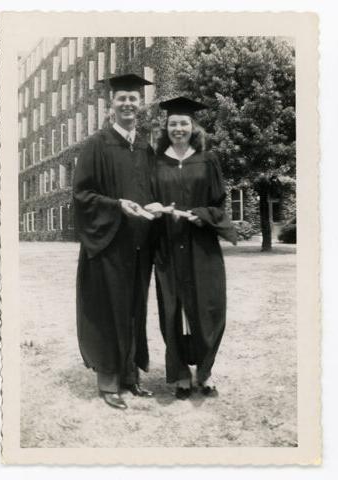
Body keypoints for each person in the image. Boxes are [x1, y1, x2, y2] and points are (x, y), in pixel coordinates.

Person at [73, 74, 158, 410]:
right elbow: (82, 194)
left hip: (139, 246)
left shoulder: (146, 148)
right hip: (107, 245)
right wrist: (117, 205)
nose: (127, 104)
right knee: (109, 310)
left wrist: (155, 205)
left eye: (133, 99)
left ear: (141, 104)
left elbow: (152, 190)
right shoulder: (97, 144)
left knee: (134, 309)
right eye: (121, 99)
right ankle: (108, 382)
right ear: (111, 104)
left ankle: (130, 377)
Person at [146, 97, 237, 400]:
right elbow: (149, 199)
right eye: (173, 123)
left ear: (193, 126)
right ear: (166, 127)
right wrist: (156, 209)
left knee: (209, 308)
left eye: (184, 123)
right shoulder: (157, 162)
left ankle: (206, 372)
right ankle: (182, 375)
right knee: (172, 308)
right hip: (168, 244)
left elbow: (219, 204)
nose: (178, 128)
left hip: (201, 245)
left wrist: (199, 215)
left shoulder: (207, 160)